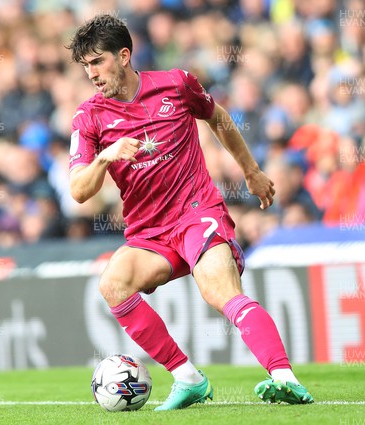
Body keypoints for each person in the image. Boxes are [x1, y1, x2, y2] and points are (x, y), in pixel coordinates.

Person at [67, 14, 314, 410]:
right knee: (113, 284)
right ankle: (188, 378)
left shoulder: (176, 83)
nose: (92, 73)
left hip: (197, 212)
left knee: (218, 290)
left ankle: (284, 378)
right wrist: (105, 158)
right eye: (85, 66)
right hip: (149, 233)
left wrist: (251, 171)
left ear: (124, 55)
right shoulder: (88, 117)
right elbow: (79, 190)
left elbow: (217, 118)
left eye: (98, 62)